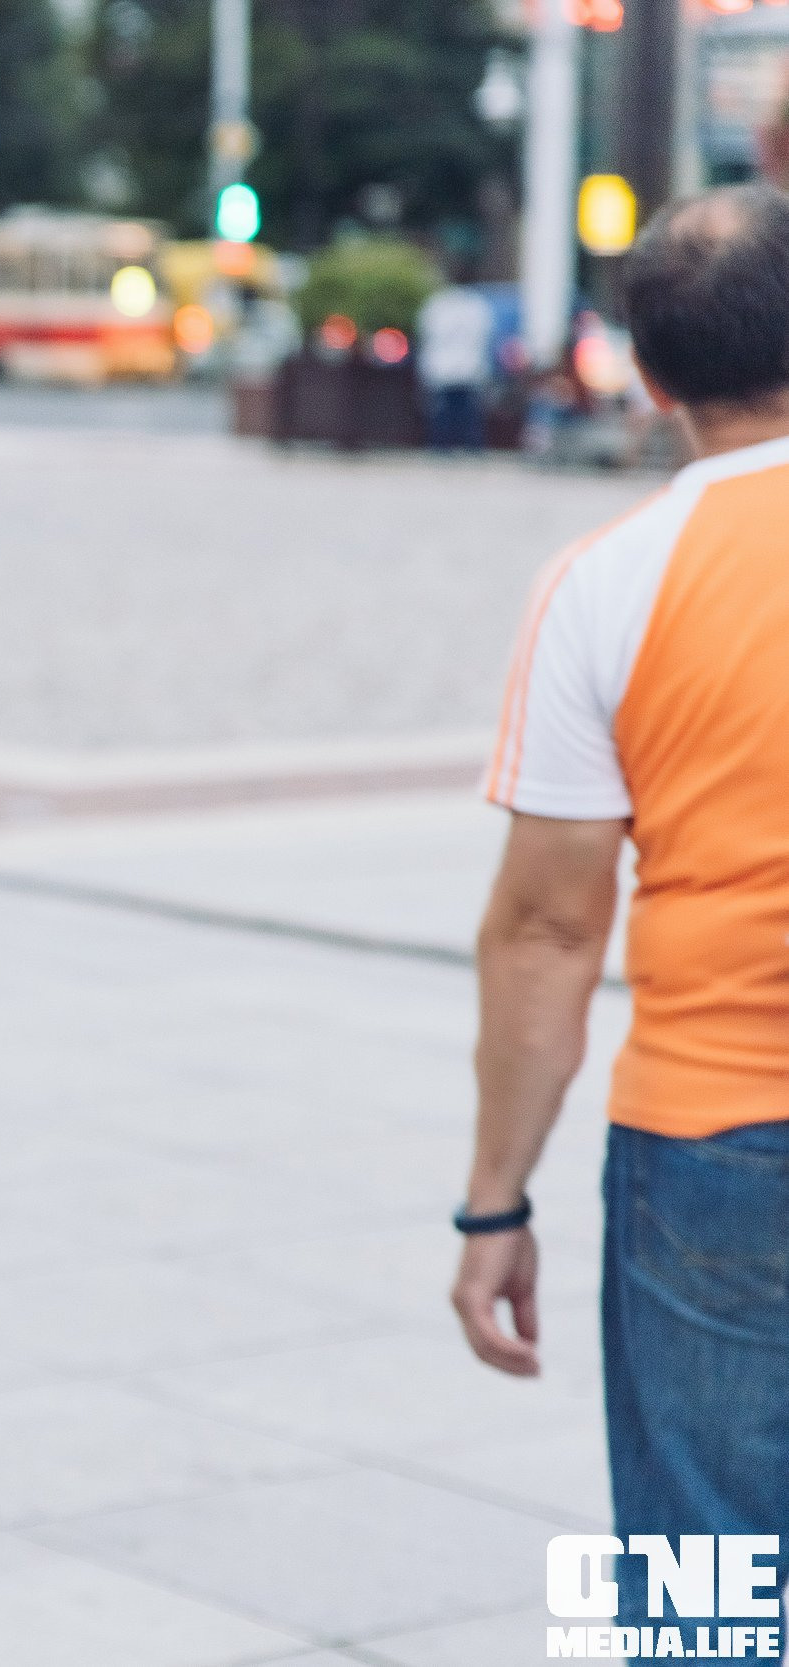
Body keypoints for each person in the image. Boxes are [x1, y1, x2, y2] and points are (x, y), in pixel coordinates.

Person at [452, 184, 789, 1639]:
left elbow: (544, 931)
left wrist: (494, 1198)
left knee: (702, 1576)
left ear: (647, 379)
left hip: (709, 1136)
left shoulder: (601, 585)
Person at [416, 272, 494, 452]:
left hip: (444, 366)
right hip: (468, 365)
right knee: (467, 411)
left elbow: (426, 336)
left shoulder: (437, 305)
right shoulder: (476, 306)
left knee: (445, 411)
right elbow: (485, 338)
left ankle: (442, 447)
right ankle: (470, 447)